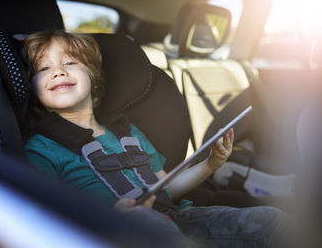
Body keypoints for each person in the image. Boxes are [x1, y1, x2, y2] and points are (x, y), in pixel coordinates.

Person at [23, 30, 287, 247]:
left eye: (70, 63)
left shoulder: (129, 135)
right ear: (33, 88)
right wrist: (111, 216)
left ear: (92, 77)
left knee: (271, 221)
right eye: (44, 68)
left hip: (180, 217)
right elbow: (43, 215)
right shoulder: (42, 149)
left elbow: (166, 188)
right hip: (118, 232)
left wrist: (211, 164)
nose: (58, 71)